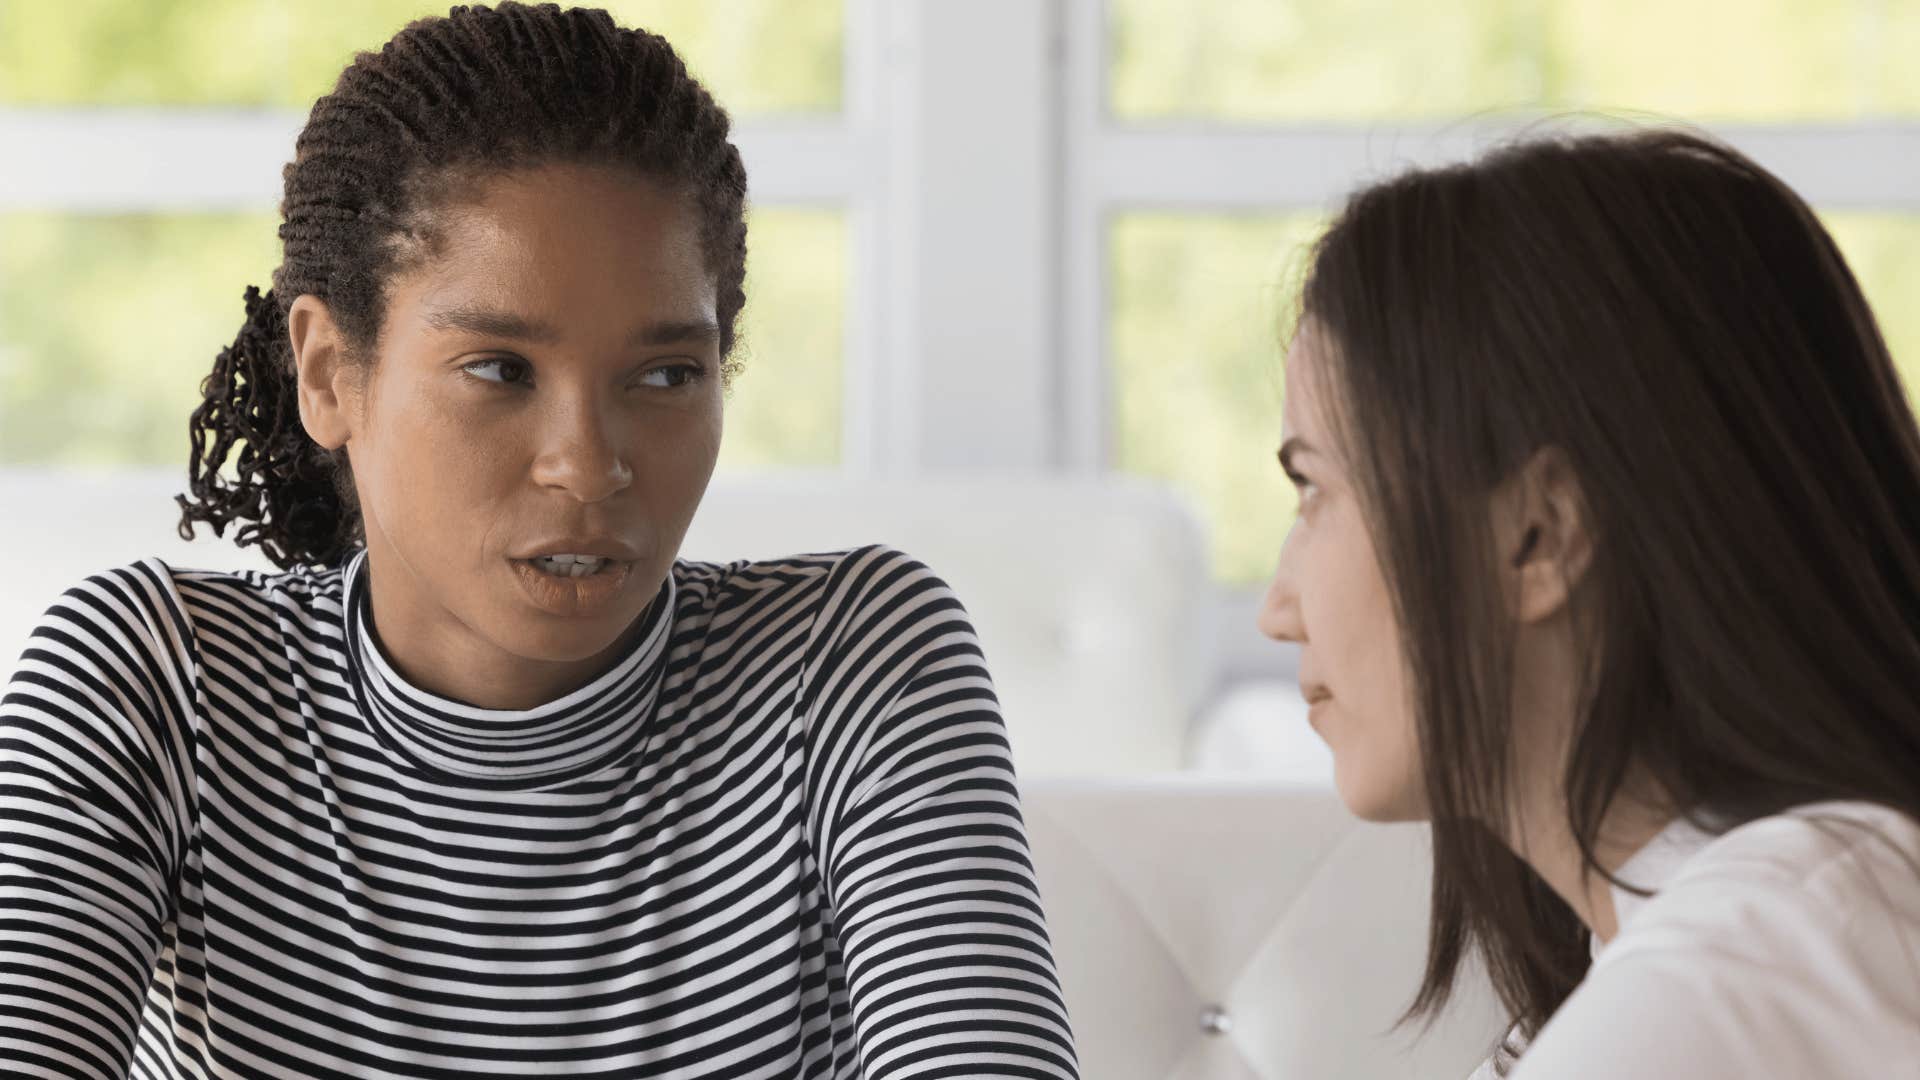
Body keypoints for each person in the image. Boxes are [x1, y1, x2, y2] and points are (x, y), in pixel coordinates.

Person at [0, 5, 1077, 1077]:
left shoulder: (854, 661)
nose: (588, 463)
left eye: (664, 377)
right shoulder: (156, 679)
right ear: (331, 374)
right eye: (501, 370)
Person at [1259, 128, 1920, 1078]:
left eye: (1312, 489)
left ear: (1540, 533)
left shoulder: (1726, 986)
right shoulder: (1763, 930)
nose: (1277, 608)